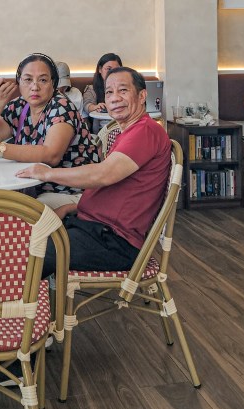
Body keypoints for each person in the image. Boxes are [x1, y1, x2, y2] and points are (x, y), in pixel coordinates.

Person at [18, 67, 171, 276]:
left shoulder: (145, 130)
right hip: (93, 228)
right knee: (19, 237)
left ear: (142, 95)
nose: (115, 98)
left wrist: (46, 173)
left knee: (25, 253)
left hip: (113, 241)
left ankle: (24, 295)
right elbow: (119, 190)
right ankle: (37, 294)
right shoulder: (129, 132)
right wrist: (72, 208)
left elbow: (103, 174)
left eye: (123, 90)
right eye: (109, 92)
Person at [0, 52, 99, 210]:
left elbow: (51, 155)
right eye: (28, 79)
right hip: (32, 184)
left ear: (53, 83)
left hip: (69, 190)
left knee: (14, 210)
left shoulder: (61, 107)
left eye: (43, 80)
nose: (35, 87)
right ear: (19, 82)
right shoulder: (20, 105)